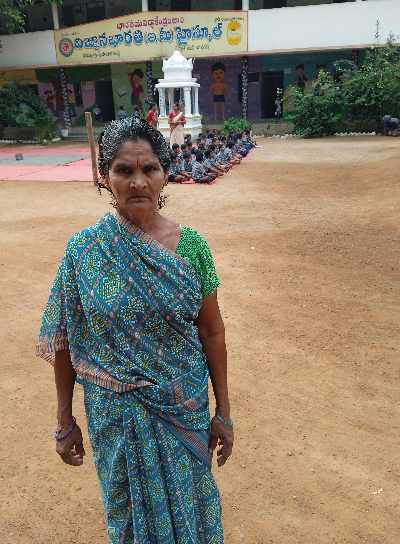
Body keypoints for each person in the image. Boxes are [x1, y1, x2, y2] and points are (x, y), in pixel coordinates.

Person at [36, 117, 233, 543]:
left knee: (192, 508)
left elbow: (212, 332)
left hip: (181, 407)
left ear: (165, 173)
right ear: (105, 176)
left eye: (149, 169)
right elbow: (65, 337)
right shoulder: (84, 251)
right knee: (127, 520)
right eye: (124, 170)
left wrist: (224, 412)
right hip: (115, 417)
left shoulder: (193, 248)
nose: (138, 182)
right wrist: (64, 419)